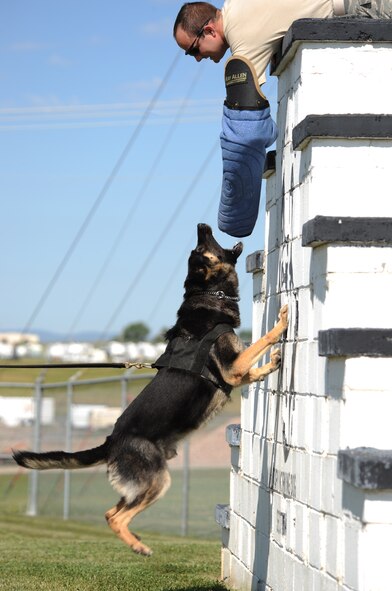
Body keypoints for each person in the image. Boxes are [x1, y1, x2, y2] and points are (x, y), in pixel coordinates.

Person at [173, 1, 392, 237]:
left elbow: (246, 132)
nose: (196, 59)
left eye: (193, 50)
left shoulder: (243, 36)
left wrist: (232, 221)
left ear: (209, 31)